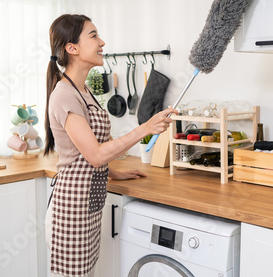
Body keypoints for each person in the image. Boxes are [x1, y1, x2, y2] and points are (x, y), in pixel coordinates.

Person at [44, 14, 177, 277]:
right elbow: (94, 155)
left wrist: (115, 172)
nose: (102, 41)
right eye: (93, 36)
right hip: (71, 211)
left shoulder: (84, 91)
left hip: (88, 206)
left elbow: (86, 152)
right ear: (72, 48)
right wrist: (145, 128)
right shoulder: (64, 95)